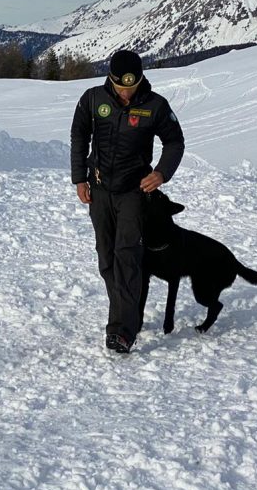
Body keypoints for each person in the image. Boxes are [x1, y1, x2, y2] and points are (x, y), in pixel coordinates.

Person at [70, 49, 185, 354]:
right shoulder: (92, 99)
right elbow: (79, 135)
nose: (125, 91)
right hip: (99, 191)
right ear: (110, 79)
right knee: (107, 258)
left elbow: (175, 141)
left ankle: (123, 329)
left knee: (126, 255)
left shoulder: (155, 105)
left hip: (134, 193)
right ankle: (127, 311)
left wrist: (161, 173)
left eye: (131, 86)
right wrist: (79, 177)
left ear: (141, 79)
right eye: (120, 86)